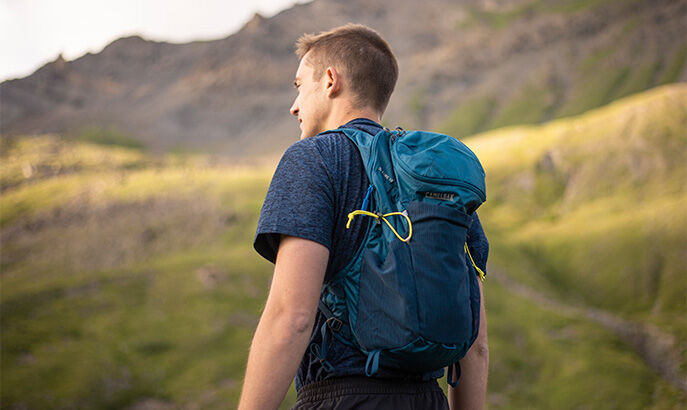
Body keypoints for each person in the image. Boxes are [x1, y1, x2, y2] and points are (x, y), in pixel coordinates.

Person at [238, 23, 489, 410]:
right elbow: (475, 346)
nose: (294, 106)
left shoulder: (314, 159)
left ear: (330, 81)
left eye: (299, 85)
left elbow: (292, 319)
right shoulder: (438, 174)